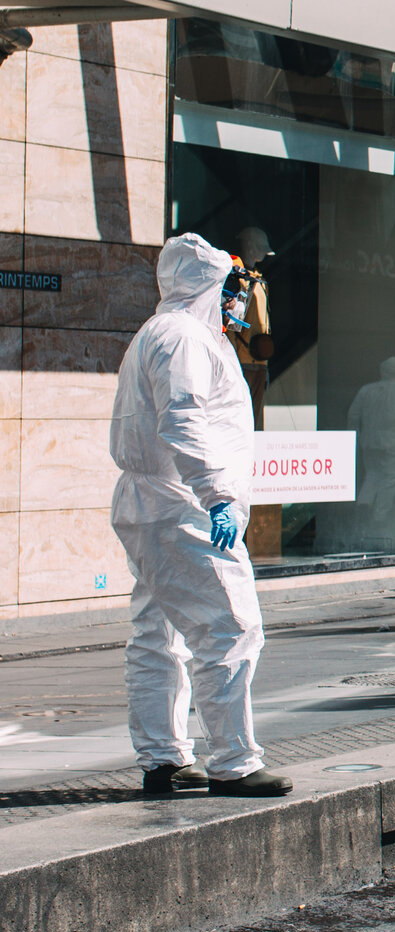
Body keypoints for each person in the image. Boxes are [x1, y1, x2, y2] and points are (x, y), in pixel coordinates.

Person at [109, 233, 290, 797]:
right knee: (229, 626)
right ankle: (234, 763)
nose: (237, 303)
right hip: (180, 504)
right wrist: (215, 495)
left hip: (156, 501)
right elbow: (183, 420)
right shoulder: (185, 338)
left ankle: (162, 757)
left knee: (157, 632)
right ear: (208, 285)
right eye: (231, 290)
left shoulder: (159, 332)